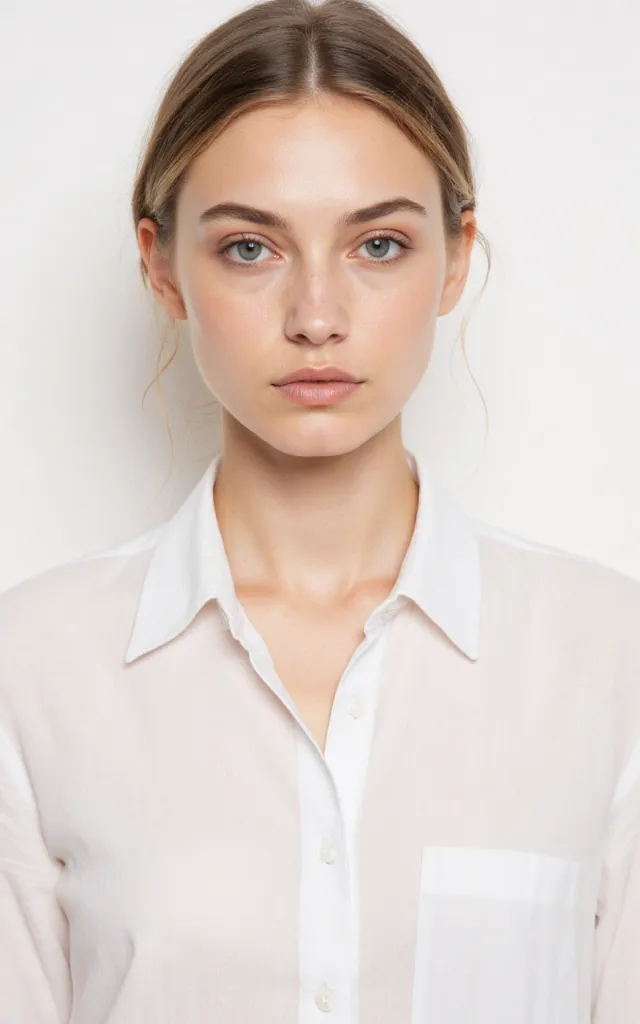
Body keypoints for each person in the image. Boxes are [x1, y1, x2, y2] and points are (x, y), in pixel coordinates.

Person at [0, 0, 638, 1021]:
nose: (316, 317)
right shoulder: (30, 668)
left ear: (455, 256)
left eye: (377, 245)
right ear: (161, 265)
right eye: (250, 249)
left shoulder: (610, 659)